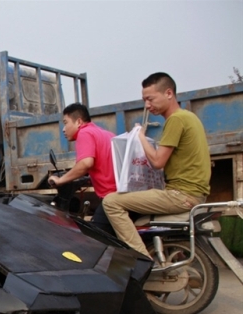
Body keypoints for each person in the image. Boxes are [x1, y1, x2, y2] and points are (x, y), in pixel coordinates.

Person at [102, 72, 211, 257]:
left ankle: (141, 259)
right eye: (144, 100)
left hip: (181, 194)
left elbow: (158, 162)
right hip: (194, 193)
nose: (147, 105)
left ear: (168, 93)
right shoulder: (190, 117)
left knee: (111, 202)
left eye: (150, 99)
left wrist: (140, 136)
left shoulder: (176, 119)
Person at [48, 103, 116, 233]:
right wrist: (90, 179)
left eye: (66, 123)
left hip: (111, 198)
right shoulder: (107, 134)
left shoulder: (84, 133)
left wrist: (60, 180)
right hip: (121, 193)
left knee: (95, 238)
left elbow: (85, 163)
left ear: (79, 122)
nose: (63, 129)